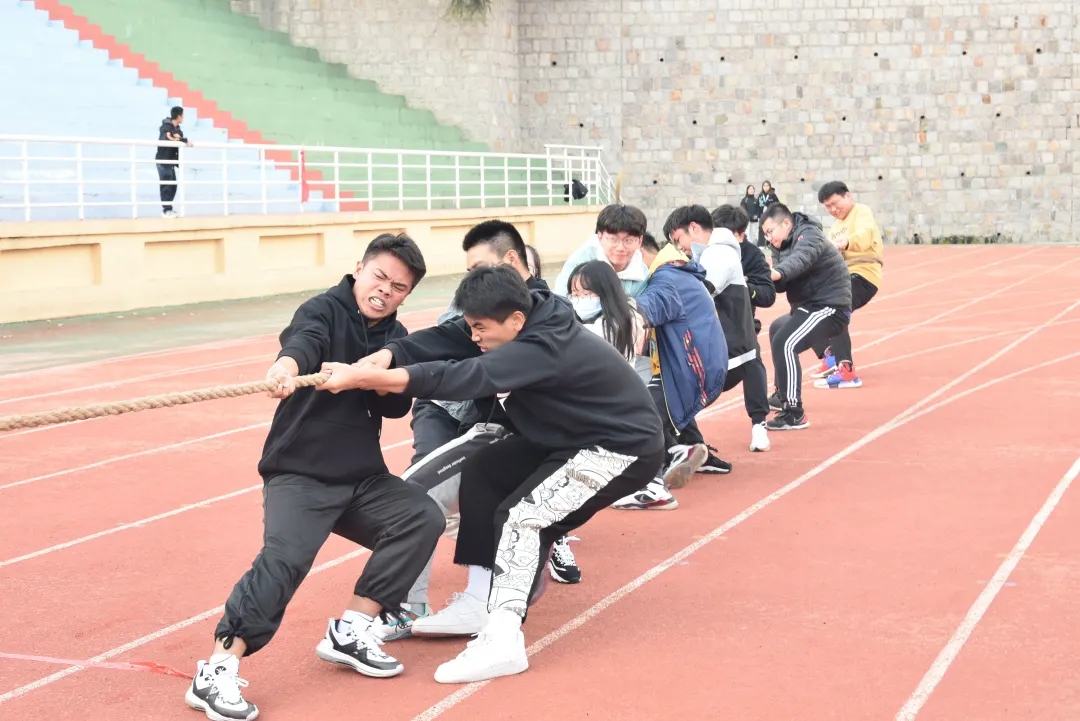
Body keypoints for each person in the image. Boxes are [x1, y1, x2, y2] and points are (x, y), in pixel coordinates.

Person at [320, 265, 664, 684]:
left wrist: (373, 378)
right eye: (471, 326)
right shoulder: (520, 318)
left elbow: (468, 376)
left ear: (515, 320)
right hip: (567, 438)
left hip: (620, 447)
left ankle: (503, 640)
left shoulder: (542, 345)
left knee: (525, 518)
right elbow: (448, 339)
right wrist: (390, 355)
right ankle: (479, 599)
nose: (474, 336)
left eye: (480, 328)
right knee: (486, 468)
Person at [185, 234, 446, 721]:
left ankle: (353, 629)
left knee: (421, 517)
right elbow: (301, 343)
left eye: (398, 288)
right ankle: (216, 669)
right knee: (284, 561)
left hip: (361, 478)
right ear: (359, 269)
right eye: (379, 277)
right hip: (301, 472)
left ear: (407, 295)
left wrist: (376, 374)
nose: (385, 291)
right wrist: (285, 368)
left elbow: (396, 407)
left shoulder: (396, 337)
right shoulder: (323, 309)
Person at [389, 220, 582, 647]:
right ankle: (416, 604)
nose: (472, 279)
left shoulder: (550, 316)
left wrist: (396, 374)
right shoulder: (475, 305)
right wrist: (387, 357)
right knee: (424, 494)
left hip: (510, 430)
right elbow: (445, 339)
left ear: (512, 262)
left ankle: (507, 580)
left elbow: (476, 373)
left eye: (479, 267)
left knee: (482, 498)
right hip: (450, 412)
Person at [566, 260, 678, 510]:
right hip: (614, 400)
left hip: (610, 401)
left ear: (605, 293)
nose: (580, 299)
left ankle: (652, 487)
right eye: (575, 294)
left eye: (587, 293)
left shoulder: (611, 325)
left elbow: (578, 337)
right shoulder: (622, 314)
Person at [663, 205, 771, 452]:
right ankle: (689, 444)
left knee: (676, 394)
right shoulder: (705, 254)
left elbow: (701, 292)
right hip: (721, 343)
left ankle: (756, 426)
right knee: (678, 395)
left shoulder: (720, 252)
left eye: (678, 239)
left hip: (726, 345)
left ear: (693, 228)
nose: (679, 247)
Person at [634, 232, 729, 483]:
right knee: (663, 399)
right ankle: (694, 450)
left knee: (640, 413)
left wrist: (626, 316)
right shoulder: (676, 271)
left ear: (638, 253)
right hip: (703, 364)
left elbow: (649, 307)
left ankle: (658, 470)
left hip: (694, 369)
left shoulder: (664, 280)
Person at [759, 204, 852, 430]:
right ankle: (782, 394)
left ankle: (794, 412)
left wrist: (775, 273)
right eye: (765, 235)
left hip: (830, 306)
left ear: (786, 223)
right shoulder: (780, 246)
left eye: (770, 231)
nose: (769, 238)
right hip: (808, 307)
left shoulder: (809, 234)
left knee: (785, 342)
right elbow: (782, 281)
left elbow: (799, 260)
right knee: (777, 329)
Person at [808, 181, 884, 389]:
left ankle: (846, 371)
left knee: (835, 307)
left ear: (847, 196)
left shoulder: (861, 212)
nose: (833, 210)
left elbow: (865, 235)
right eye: (828, 207)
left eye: (835, 203)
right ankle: (830, 356)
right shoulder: (834, 229)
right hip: (840, 279)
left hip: (863, 275)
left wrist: (846, 242)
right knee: (804, 304)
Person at [713, 204, 776, 334]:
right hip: (711, 325)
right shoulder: (708, 251)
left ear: (740, 234)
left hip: (740, 329)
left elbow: (767, 295)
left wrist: (741, 286)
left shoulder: (752, 254)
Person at [155, 106, 192, 218]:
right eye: (182, 115)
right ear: (178, 116)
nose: (183, 117)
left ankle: (169, 209)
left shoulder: (178, 130)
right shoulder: (166, 127)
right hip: (163, 160)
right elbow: (168, 138)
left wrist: (180, 139)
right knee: (166, 185)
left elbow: (177, 139)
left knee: (173, 186)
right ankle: (166, 210)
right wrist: (184, 140)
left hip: (170, 162)